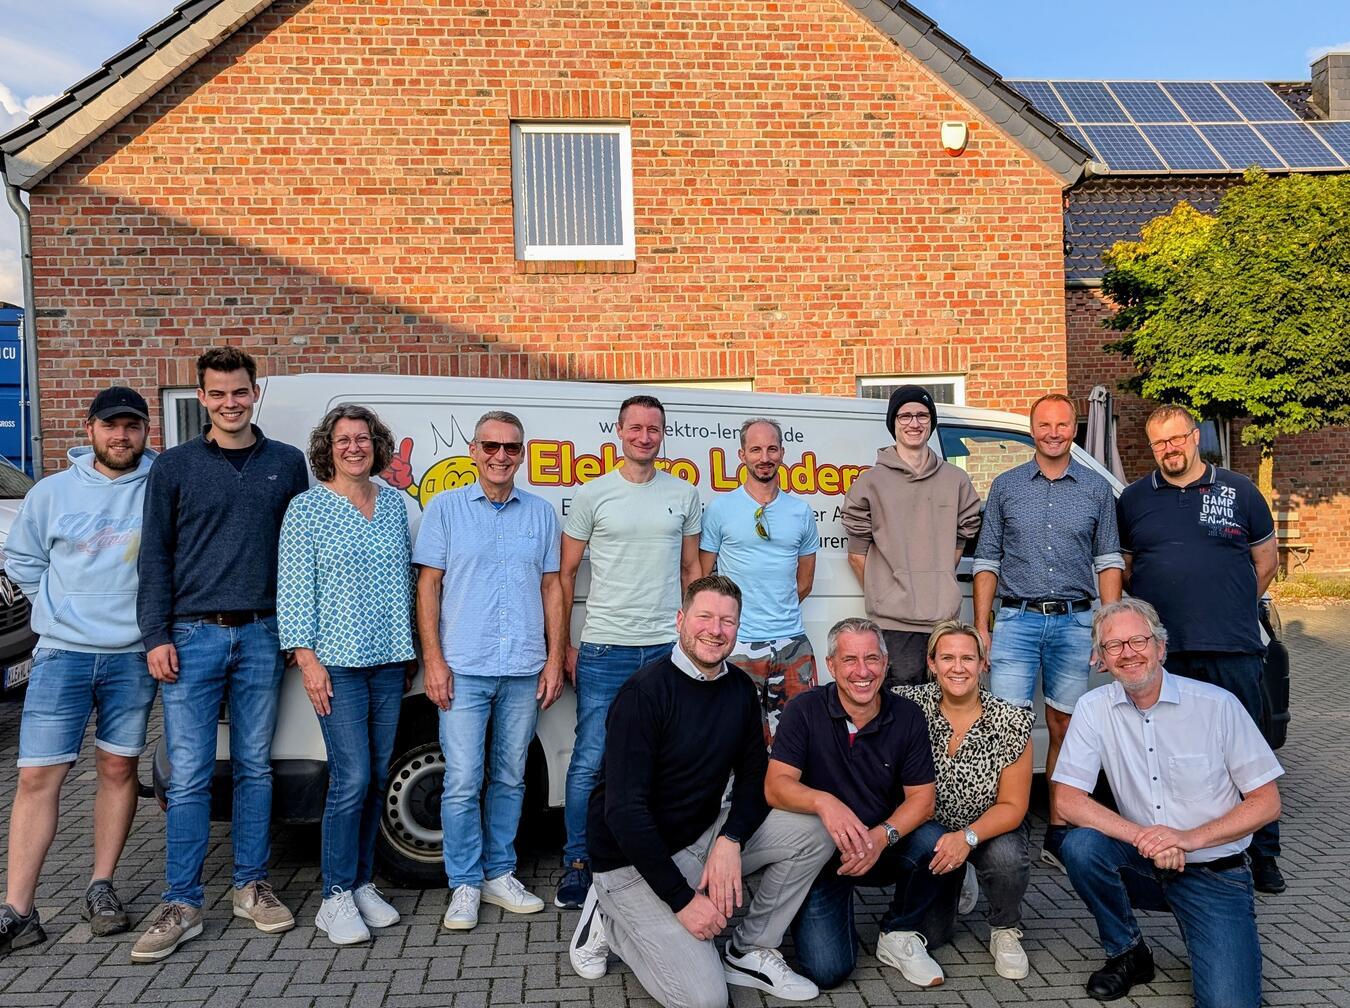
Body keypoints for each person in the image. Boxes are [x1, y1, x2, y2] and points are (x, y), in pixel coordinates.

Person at [567, 575, 833, 1006]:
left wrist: (731, 838)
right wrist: (683, 901)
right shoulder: (644, 694)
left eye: (727, 621)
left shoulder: (739, 689)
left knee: (814, 833)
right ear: (680, 621)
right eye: (704, 617)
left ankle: (749, 949)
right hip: (631, 862)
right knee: (705, 1001)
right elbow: (624, 812)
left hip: (701, 835)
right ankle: (612, 921)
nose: (715, 630)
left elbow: (754, 778)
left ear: (738, 628)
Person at [132, 346, 309, 963]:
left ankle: (250, 887)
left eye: (240, 391)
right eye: (218, 393)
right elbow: (154, 555)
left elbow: (299, 555)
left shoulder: (286, 463)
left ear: (254, 393)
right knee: (189, 774)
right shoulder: (174, 466)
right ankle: (181, 903)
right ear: (202, 398)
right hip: (191, 637)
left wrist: (295, 632)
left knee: (256, 767)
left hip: (262, 634)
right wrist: (155, 635)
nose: (230, 403)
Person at [1054, 598, 1282, 1008]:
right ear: (1101, 658)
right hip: (1143, 861)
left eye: (1138, 641)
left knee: (1229, 1003)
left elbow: (1266, 803)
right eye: (1113, 645)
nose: (1128, 653)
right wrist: (1148, 838)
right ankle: (1128, 952)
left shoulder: (1217, 705)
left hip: (1214, 873)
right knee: (1081, 846)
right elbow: (1068, 800)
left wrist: (1186, 839)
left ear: (1161, 647)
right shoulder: (1093, 708)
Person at [0, 388, 157, 955]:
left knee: (118, 769)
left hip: (132, 656)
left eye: (132, 426)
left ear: (146, 432)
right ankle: (18, 909)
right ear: (90, 430)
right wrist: (59, 608)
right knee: (37, 776)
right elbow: (23, 559)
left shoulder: (160, 488)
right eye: (111, 426)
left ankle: (101, 886)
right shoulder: (51, 493)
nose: (121, 436)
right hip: (62, 653)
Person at [1117, 405, 1284, 894]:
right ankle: (1184, 847)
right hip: (1164, 652)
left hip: (1232, 646)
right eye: (1159, 443)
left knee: (1247, 753)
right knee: (1174, 751)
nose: (1169, 449)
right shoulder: (1133, 500)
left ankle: (1263, 855)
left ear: (1195, 437)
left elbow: (1266, 561)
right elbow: (1125, 569)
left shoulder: (1240, 491)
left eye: (1176, 438)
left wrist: (1231, 606)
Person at [413, 410, 565, 931]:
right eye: (491, 446)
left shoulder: (541, 514)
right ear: (474, 451)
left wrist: (554, 658)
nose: (501, 456)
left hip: (523, 666)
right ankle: (464, 882)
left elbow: (552, 588)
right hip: (464, 666)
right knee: (461, 781)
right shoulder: (445, 509)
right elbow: (428, 585)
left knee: (510, 777)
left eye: (511, 447)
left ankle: (499, 872)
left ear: (522, 454)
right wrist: (434, 661)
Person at [555, 394, 702, 908]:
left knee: (664, 762)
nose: (644, 436)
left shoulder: (683, 493)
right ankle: (578, 862)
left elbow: (691, 570)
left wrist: (693, 642)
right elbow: (565, 575)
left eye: (653, 428)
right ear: (619, 431)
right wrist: (565, 645)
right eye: (635, 428)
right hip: (605, 648)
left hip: (666, 649)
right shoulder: (593, 494)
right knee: (591, 761)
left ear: (663, 434)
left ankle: (652, 859)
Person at [277, 405, 413, 945]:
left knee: (377, 776)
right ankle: (333, 896)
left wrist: (410, 651)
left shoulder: (395, 504)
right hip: (337, 664)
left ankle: (360, 883)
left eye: (363, 438)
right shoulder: (307, 508)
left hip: (389, 661)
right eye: (343, 440)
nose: (354, 447)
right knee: (350, 778)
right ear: (327, 449)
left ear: (376, 446)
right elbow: (293, 589)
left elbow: (404, 580)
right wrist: (306, 660)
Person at [972, 392, 1123, 865]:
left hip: (1075, 622)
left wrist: (1109, 627)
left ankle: (1058, 830)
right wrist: (982, 626)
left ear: (1074, 430)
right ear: (1033, 429)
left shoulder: (1096, 489)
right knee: (1007, 728)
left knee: (1066, 725)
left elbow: (1108, 560)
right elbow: (986, 561)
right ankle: (1005, 828)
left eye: (1062, 425)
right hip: (1015, 621)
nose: (1053, 433)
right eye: (1044, 425)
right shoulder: (1007, 486)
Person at [766, 617, 946, 990]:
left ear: (885, 662)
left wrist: (881, 837)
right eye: (849, 660)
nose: (862, 671)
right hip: (821, 857)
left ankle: (898, 931)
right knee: (827, 971)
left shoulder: (907, 715)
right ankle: (825, 906)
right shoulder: (804, 709)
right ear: (831, 666)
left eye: (871, 659)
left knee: (935, 840)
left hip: (883, 845)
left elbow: (923, 800)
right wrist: (824, 801)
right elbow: (775, 787)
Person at [895, 621, 1035, 980]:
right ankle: (959, 874)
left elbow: (1013, 806)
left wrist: (967, 838)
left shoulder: (1011, 720)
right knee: (933, 935)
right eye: (947, 658)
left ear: (983, 664)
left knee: (1006, 857)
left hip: (989, 828)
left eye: (968, 658)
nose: (958, 667)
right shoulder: (908, 705)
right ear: (932, 664)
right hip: (932, 833)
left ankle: (1005, 928)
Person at [842, 385, 981, 688]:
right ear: (893, 423)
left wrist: (934, 581)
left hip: (943, 623)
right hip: (894, 627)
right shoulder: (870, 483)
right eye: (905, 416)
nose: (914, 423)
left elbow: (959, 542)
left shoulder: (956, 480)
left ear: (931, 422)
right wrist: (887, 590)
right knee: (899, 710)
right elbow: (856, 555)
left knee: (944, 708)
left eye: (922, 415)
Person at [699, 417, 819, 744]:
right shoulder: (720, 509)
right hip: (736, 645)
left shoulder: (800, 511)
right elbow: (701, 579)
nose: (764, 457)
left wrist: (776, 610)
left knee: (795, 742)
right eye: (755, 450)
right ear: (742, 455)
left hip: (791, 645)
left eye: (771, 449)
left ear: (782, 453)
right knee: (734, 740)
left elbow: (805, 582)